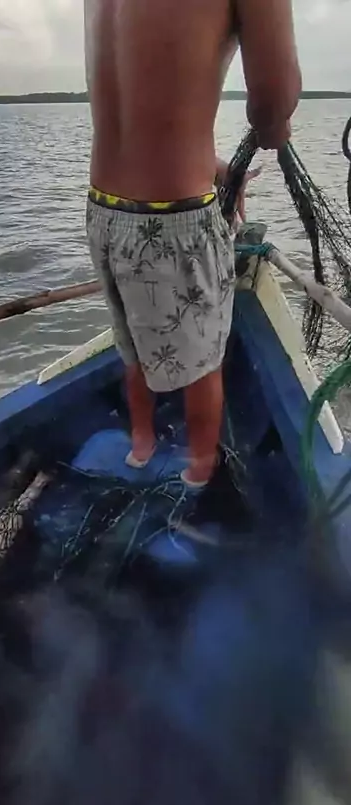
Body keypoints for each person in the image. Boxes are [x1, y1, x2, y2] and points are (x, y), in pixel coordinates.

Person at [85, 0, 302, 487]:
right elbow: (272, 101)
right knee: (205, 360)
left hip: (103, 209)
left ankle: (141, 445)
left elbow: (145, 97)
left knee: (133, 343)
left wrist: (207, 163)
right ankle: (201, 470)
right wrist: (276, 126)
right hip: (173, 223)